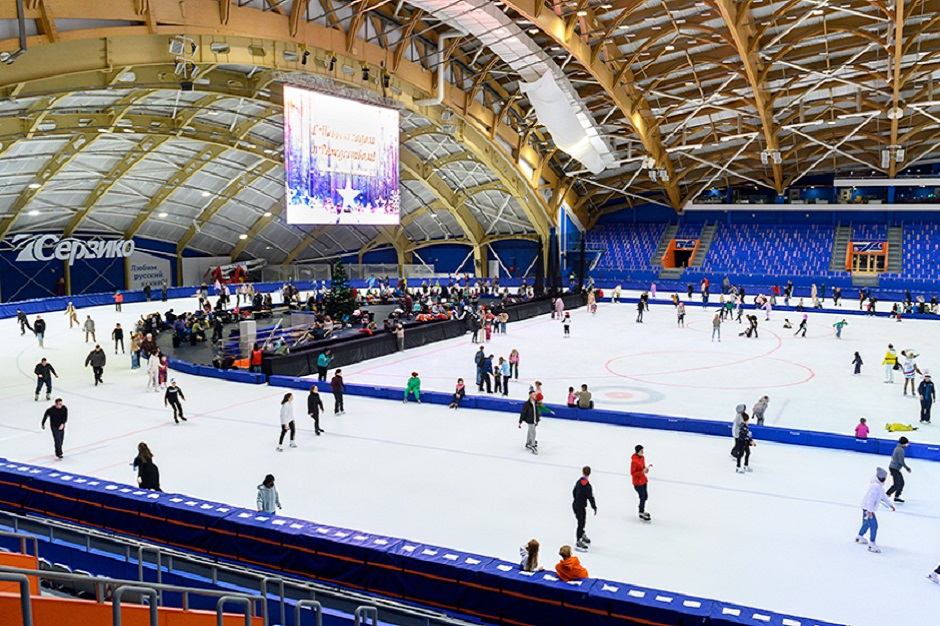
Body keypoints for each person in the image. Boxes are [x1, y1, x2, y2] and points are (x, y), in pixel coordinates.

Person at [855, 467, 895, 553]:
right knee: (874, 525)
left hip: (866, 508)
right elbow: (870, 499)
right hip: (868, 509)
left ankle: (860, 535)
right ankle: (872, 543)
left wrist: (890, 505)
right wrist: (869, 511)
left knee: (866, 523)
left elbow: (883, 496)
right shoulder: (876, 487)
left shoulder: (878, 486)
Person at [572, 466, 597, 552]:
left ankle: (582, 534)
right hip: (581, 506)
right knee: (581, 523)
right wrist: (594, 506)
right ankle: (578, 540)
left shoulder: (578, 482)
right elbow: (590, 497)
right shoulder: (588, 486)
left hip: (575, 505)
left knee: (581, 522)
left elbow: (574, 492)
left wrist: (576, 500)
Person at [885, 437, 912, 503]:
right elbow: (901, 461)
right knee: (897, 484)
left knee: (901, 483)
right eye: (907, 443)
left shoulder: (898, 448)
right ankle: (886, 495)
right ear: (904, 444)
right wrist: (907, 468)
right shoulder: (900, 450)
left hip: (894, 468)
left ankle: (897, 496)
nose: (908, 445)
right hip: (894, 468)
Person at [631, 445, 652, 521]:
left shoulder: (642, 458)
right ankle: (641, 511)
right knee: (642, 497)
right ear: (637, 452)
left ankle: (642, 510)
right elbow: (633, 473)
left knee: (645, 496)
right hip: (637, 482)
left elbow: (643, 467)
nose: (643, 452)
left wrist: (646, 469)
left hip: (643, 480)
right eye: (641, 451)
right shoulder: (634, 461)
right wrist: (641, 472)